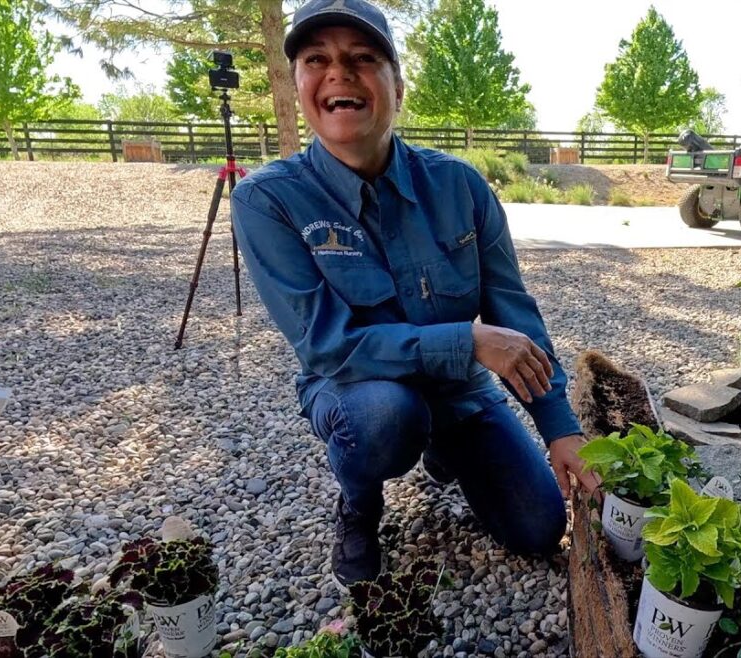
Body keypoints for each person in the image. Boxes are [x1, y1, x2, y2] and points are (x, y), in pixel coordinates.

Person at [230, 0, 600, 588]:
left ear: (398, 88)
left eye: (362, 58)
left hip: (461, 392)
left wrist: (560, 426)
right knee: (387, 417)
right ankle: (359, 505)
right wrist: (467, 341)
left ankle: (445, 445)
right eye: (316, 59)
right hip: (356, 391)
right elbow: (327, 345)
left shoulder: (460, 184)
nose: (339, 73)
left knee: (538, 527)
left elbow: (513, 311)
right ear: (299, 85)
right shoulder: (267, 200)